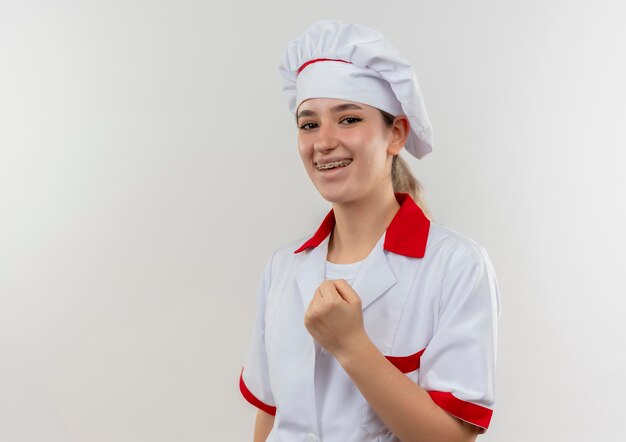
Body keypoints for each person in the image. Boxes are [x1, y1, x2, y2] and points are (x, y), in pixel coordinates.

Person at [239, 19, 501, 442]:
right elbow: (270, 419)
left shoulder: (457, 266)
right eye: (308, 124)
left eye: (348, 119)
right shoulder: (283, 269)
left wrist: (352, 345)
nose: (323, 142)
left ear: (395, 134)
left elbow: (454, 437)